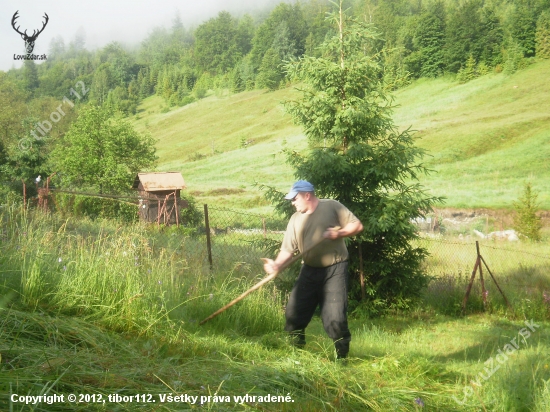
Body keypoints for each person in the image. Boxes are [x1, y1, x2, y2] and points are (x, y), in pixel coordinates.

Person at [263, 180, 363, 359]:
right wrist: (277, 265)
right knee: (294, 313)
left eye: (295, 198)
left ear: (307, 195)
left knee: (335, 318)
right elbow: (287, 250)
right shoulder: (295, 220)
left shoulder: (332, 206)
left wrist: (338, 233)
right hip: (309, 270)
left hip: (335, 269)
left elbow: (357, 225)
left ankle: (342, 358)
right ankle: (297, 353)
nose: (292, 202)